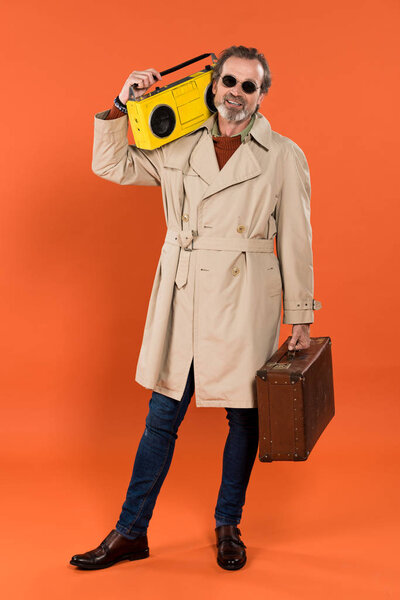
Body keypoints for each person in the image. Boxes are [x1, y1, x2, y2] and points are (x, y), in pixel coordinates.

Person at [70, 45, 321, 572]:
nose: (236, 94)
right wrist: (121, 104)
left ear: (261, 95)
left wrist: (301, 314)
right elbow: (110, 163)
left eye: (249, 86)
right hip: (184, 294)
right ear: (214, 84)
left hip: (246, 295)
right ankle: (130, 531)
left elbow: (297, 239)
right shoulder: (177, 143)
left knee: (243, 417)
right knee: (161, 417)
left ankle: (229, 524)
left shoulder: (283, 155)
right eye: (229, 81)